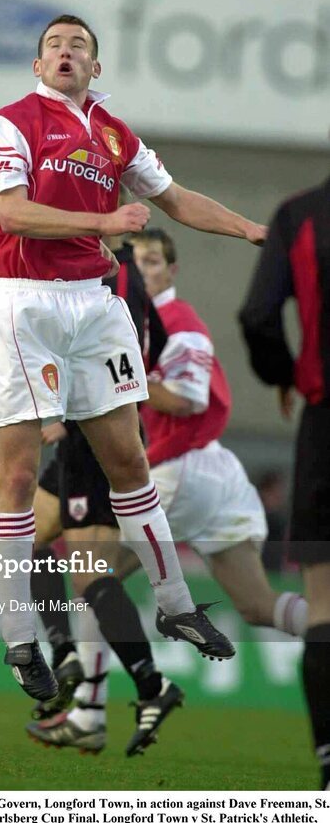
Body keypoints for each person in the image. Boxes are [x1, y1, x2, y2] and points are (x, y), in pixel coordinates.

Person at [0, 12, 266, 700]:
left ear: (95, 66)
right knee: (18, 474)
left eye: (78, 45)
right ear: (37, 65)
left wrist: (249, 228)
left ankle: (175, 605)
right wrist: (105, 222)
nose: (65, 52)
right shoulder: (9, 124)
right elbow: (12, 214)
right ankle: (19, 635)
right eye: (53, 44)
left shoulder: (112, 132)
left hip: (95, 306)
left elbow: (175, 199)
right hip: (25, 303)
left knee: (130, 463)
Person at [28, 226, 307, 754]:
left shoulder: (180, 323)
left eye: (153, 261)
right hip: (211, 477)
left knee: (93, 579)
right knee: (257, 604)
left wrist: (111, 383)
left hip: (176, 470)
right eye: (139, 261)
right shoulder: (137, 316)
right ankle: (321, 622)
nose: (143, 269)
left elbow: (187, 398)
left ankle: (91, 709)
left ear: (172, 270)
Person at [239, 176, 330, 791]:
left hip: (325, 428)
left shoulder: (300, 215)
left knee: (323, 609)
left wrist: (283, 373)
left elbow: (258, 316)